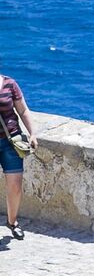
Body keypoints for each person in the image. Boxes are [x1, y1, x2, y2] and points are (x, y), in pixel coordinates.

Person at [0, 70, 39, 239]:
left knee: (15, 185)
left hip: (11, 141)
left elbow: (23, 110)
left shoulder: (10, 84)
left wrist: (32, 134)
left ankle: (12, 221)